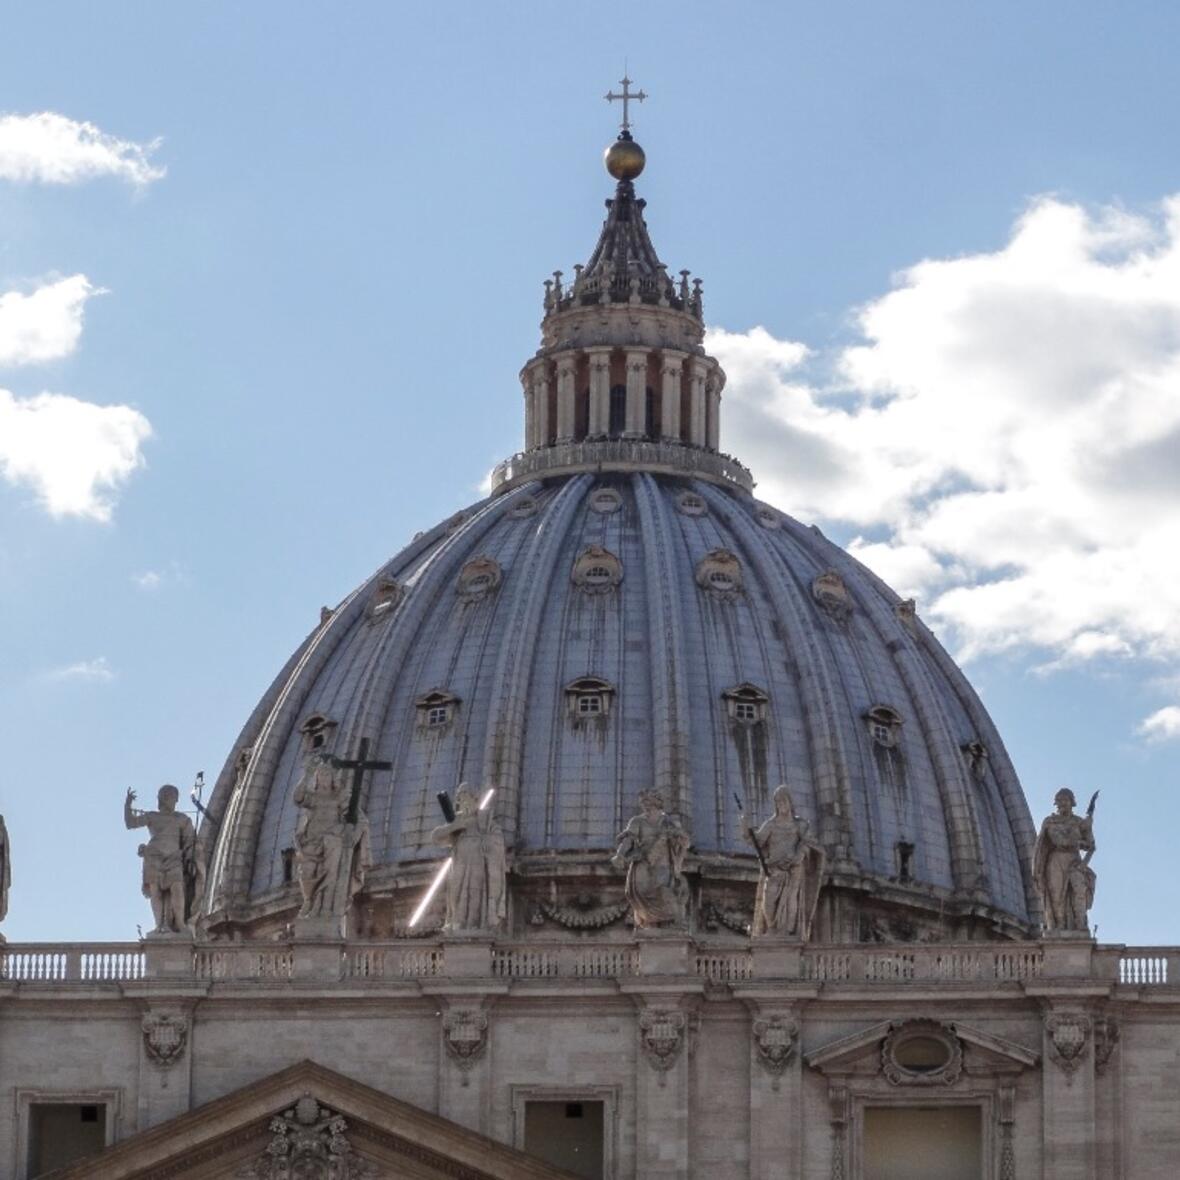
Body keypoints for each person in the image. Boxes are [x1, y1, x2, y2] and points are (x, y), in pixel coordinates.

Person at [293, 753, 370, 920]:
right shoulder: (313, 797)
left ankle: (325, 908)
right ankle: (309, 900)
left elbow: (360, 819)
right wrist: (307, 774)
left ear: (333, 778)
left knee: (330, 876)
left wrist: (352, 839)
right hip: (311, 843)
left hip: (333, 842)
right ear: (317, 777)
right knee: (306, 872)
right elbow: (298, 797)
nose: (324, 778)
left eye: (327, 774)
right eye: (321, 774)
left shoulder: (339, 797)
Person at [742, 785, 826, 940]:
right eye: (778, 801)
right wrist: (745, 829)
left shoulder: (799, 825)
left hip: (793, 868)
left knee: (791, 898)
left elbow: (811, 844)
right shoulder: (771, 824)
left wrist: (800, 854)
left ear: (790, 802)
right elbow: (757, 841)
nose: (781, 804)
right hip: (774, 869)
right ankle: (772, 929)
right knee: (768, 900)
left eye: (784, 801)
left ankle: (787, 933)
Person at [124, 784, 202, 934]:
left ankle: (179, 922)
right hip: (154, 857)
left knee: (177, 888)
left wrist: (192, 859)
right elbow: (131, 823)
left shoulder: (182, 819)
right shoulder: (152, 817)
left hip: (174, 858)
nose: (173, 801)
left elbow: (190, 842)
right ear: (162, 799)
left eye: (175, 798)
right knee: (156, 892)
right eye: (170, 797)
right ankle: (159, 925)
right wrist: (127, 805)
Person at [430, 784, 506, 932]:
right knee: (456, 896)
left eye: (466, 799)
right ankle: (458, 924)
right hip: (460, 865)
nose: (462, 804)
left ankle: (473, 925)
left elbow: (497, 840)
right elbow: (436, 837)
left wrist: (487, 842)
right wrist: (453, 827)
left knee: (475, 895)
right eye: (459, 801)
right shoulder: (457, 821)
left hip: (478, 866)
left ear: (475, 800)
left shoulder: (486, 821)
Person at [613, 790, 689, 928]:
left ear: (656, 803)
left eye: (647, 802)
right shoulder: (637, 821)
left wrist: (677, 838)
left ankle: (666, 921)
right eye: (643, 803)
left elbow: (684, 842)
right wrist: (620, 855)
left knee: (662, 892)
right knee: (640, 892)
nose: (644, 806)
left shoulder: (669, 822)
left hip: (663, 863)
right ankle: (651, 921)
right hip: (642, 861)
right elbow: (629, 839)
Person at [1033, 787, 1096, 933]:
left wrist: (1083, 864)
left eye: (1065, 800)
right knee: (1056, 894)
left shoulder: (1080, 823)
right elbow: (1042, 845)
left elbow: (1091, 846)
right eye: (1059, 801)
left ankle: (1079, 925)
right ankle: (1058, 926)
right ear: (1056, 803)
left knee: (1078, 891)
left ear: (1072, 803)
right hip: (1054, 860)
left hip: (1074, 861)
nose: (1062, 804)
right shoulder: (1049, 822)